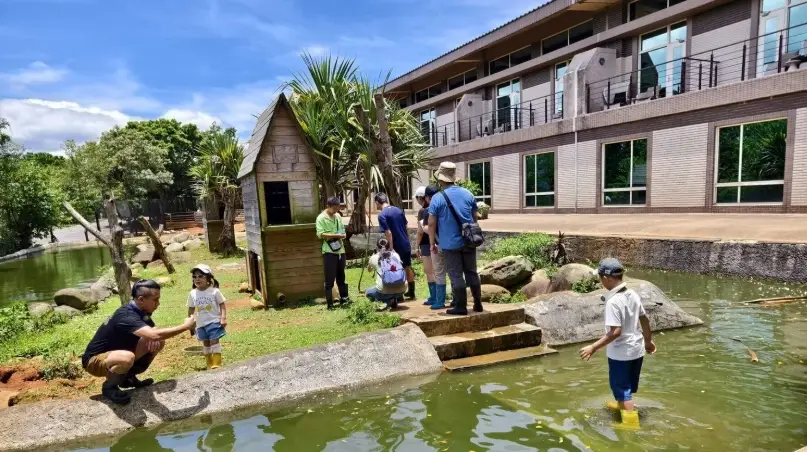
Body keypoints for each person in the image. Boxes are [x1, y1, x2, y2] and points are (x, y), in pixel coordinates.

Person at [82, 280, 196, 405]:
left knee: (159, 341)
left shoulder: (141, 313)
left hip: (115, 355)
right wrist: (185, 326)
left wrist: (153, 336)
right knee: (128, 357)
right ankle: (109, 387)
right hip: (94, 361)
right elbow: (154, 335)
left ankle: (128, 378)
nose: (158, 303)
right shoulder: (126, 315)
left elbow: (153, 332)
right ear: (141, 299)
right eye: (155, 299)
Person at [579, 258, 656, 429]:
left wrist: (593, 347)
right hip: (637, 349)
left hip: (621, 353)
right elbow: (645, 319)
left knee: (621, 389)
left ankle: (630, 424)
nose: (600, 281)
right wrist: (648, 341)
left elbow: (615, 332)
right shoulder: (632, 294)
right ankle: (623, 405)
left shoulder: (613, 302)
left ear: (607, 278)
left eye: (600, 277)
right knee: (627, 386)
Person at [428, 162, 483, 315]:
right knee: (471, 272)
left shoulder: (437, 198)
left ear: (440, 180)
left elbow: (431, 223)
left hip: (450, 244)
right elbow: (474, 219)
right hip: (469, 241)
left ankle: (460, 307)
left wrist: (432, 242)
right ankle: (478, 303)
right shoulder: (468, 194)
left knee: (456, 274)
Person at [375, 192, 416, 300]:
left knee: (395, 269)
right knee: (407, 267)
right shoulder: (398, 210)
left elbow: (388, 233)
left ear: (377, 203)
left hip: (396, 245)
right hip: (405, 243)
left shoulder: (382, 215)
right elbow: (406, 226)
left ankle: (399, 295)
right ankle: (412, 293)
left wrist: (391, 248)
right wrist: (407, 239)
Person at [187, 264, 227, 370]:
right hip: (200, 324)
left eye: (200, 276)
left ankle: (217, 363)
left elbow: (222, 304)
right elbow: (191, 309)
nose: (197, 279)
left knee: (214, 341)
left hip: (214, 321)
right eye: (194, 277)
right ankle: (209, 363)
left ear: (208, 278)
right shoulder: (192, 293)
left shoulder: (214, 291)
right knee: (206, 343)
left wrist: (223, 318)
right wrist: (190, 323)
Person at [316, 196, 350, 310]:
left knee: (341, 276)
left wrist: (342, 234)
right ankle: (330, 304)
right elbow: (321, 234)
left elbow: (342, 230)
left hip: (340, 250)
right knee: (329, 279)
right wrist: (337, 235)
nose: (336, 211)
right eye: (334, 209)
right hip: (329, 251)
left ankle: (344, 299)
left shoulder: (338, 216)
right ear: (329, 206)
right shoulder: (321, 218)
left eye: (337, 209)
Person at [424, 184, 448, 310]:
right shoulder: (446, 205)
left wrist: (432, 243)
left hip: (438, 244)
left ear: (428, 197)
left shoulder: (430, 208)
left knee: (439, 272)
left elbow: (431, 225)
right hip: (452, 244)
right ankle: (457, 300)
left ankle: (440, 301)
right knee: (455, 272)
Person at [365, 238, 408, 308]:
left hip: (383, 291)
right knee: (393, 290)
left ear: (377, 247)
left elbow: (369, 270)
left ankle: (387, 302)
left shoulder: (374, 257)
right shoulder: (396, 255)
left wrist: (372, 257)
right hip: (402, 289)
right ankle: (393, 299)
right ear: (389, 246)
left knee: (368, 292)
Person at [414, 186, 436, 306]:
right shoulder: (435, 208)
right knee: (437, 270)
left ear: (420, 198)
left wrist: (416, 246)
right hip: (437, 242)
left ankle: (434, 297)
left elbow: (420, 231)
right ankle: (440, 295)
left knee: (429, 271)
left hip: (426, 244)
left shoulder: (423, 211)